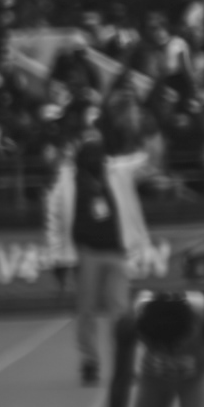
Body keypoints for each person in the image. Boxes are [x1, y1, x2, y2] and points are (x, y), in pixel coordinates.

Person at [45, 122, 152, 385]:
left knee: (121, 311)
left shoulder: (117, 170)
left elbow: (146, 161)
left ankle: (125, 363)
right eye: (88, 145)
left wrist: (143, 131)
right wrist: (57, 257)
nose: (93, 152)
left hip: (116, 251)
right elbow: (54, 219)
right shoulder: (66, 179)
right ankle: (90, 361)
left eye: (97, 145)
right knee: (86, 310)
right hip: (85, 253)